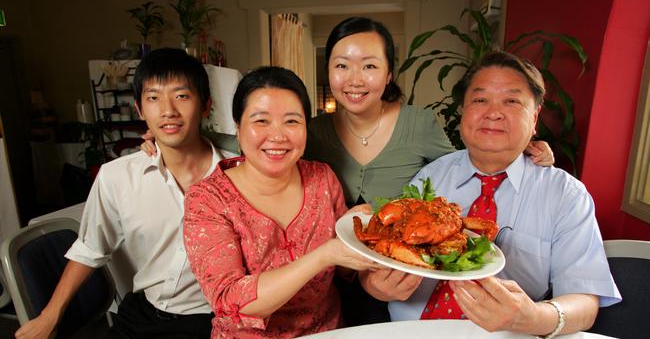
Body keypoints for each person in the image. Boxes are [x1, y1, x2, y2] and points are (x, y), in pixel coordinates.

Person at [140, 17, 555, 326]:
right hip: (327, 284)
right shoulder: (310, 132)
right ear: (328, 73)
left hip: (384, 283)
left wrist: (523, 147)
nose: (355, 79)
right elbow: (244, 141)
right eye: (341, 66)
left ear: (389, 73)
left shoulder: (411, 129)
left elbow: (470, 156)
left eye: (370, 67)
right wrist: (165, 136)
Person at [363, 51, 621, 337]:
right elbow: (379, 252)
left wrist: (535, 316)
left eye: (511, 101)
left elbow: (585, 301)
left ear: (534, 117)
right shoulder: (431, 177)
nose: (493, 112)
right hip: (408, 331)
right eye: (480, 99)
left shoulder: (566, 195)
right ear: (463, 113)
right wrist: (374, 286)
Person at [15, 48, 224, 339]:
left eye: (181, 96)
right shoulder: (117, 176)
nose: (168, 110)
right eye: (153, 98)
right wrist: (49, 316)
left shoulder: (239, 175)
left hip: (216, 321)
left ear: (205, 106)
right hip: (143, 316)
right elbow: (90, 248)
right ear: (139, 109)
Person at [182, 66, 380, 338]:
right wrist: (324, 255)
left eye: (291, 121)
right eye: (261, 121)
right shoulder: (207, 199)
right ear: (238, 129)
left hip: (329, 332)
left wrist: (357, 236)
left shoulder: (322, 178)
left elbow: (345, 268)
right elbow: (230, 300)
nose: (278, 136)